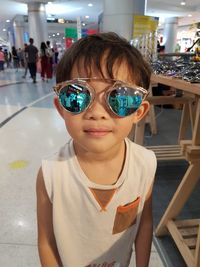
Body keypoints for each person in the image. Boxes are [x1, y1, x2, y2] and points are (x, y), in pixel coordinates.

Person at [36, 32, 157, 267]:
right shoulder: (51, 174)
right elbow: (46, 241)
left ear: (138, 113)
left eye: (119, 97)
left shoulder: (145, 164)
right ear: (61, 109)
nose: (97, 113)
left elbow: (144, 224)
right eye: (77, 96)